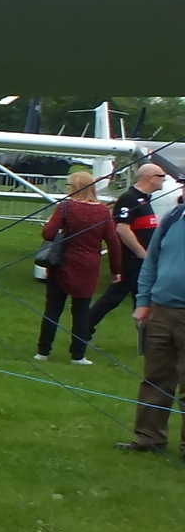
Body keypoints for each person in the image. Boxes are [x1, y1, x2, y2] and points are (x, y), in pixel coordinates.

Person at [121, 194, 185, 453]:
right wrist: (143, 301)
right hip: (160, 310)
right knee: (155, 378)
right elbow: (151, 263)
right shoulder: (173, 217)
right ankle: (149, 438)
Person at [35, 170, 120, 364]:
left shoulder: (65, 207)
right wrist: (116, 270)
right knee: (81, 311)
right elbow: (114, 243)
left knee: (53, 309)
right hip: (89, 266)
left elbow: (48, 233)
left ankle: (43, 351)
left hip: (62, 262)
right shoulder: (103, 211)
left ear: (73, 188)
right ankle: (78, 355)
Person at [88, 162, 167, 332]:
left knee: (143, 300)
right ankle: (84, 328)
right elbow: (122, 228)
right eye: (162, 176)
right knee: (113, 297)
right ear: (151, 178)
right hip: (131, 260)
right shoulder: (130, 198)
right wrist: (143, 254)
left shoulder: (145, 199)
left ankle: (147, 340)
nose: (164, 180)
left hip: (141, 261)